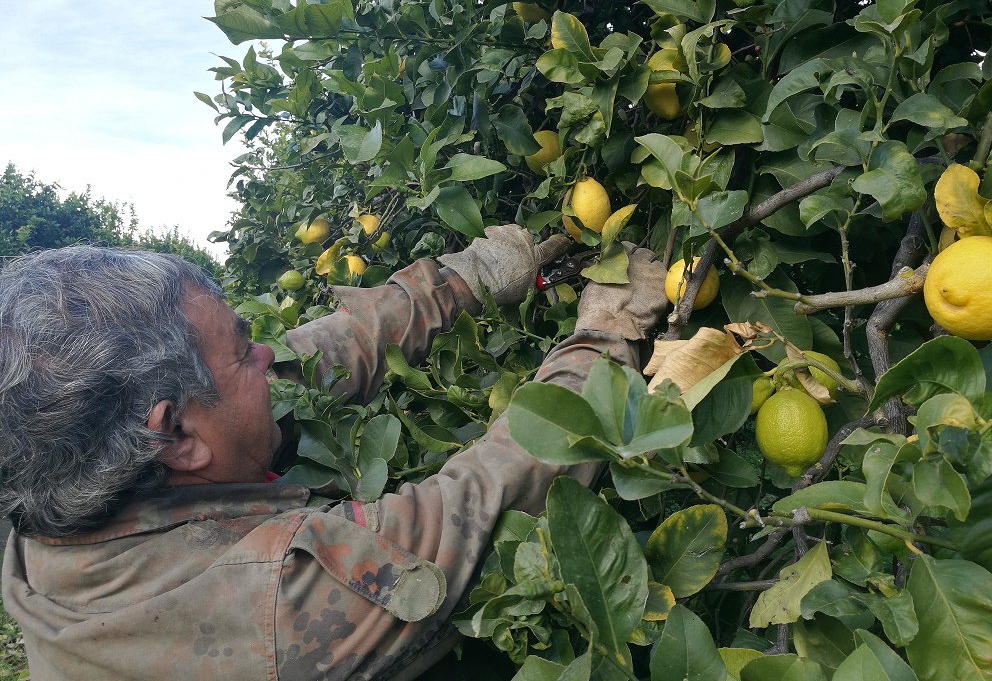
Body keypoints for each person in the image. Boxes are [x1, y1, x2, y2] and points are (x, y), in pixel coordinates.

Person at [0, 225, 667, 680]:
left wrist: (465, 281)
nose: (267, 352)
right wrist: (607, 335)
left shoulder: (65, 490)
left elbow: (293, 370)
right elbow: (481, 503)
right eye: (243, 350)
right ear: (174, 437)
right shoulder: (266, 615)